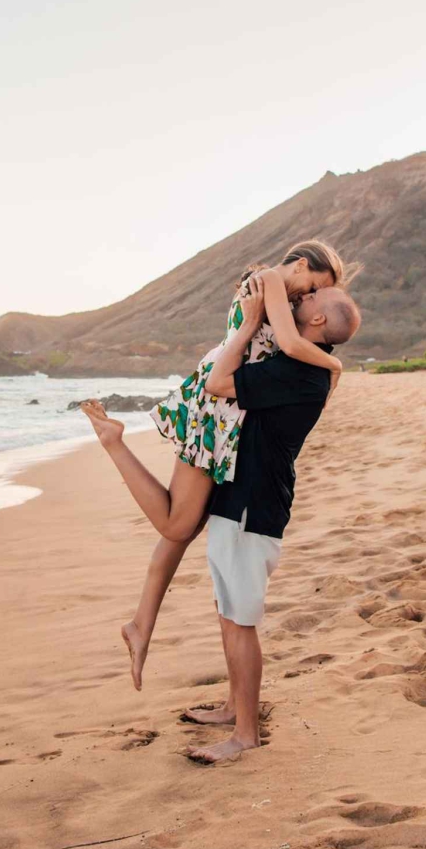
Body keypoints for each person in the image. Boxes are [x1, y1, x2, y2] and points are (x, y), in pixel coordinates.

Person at [83, 280, 362, 764]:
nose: (303, 297)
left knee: (239, 622)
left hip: (251, 506)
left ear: (318, 320)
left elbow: (218, 382)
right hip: (243, 499)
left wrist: (250, 322)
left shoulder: (297, 372)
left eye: (312, 297)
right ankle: (234, 708)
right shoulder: (301, 367)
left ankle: (245, 735)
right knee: (228, 608)